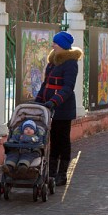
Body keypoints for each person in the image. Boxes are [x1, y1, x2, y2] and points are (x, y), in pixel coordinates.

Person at [35, 31, 83, 186]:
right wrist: (37, 103)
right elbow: (46, 84)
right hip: (49, 107)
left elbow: (68, 88)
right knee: (53, 140)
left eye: (55, 43)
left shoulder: (70, 63)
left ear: (62, 45)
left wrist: (54, 101)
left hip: (63, 108)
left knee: (62, 141)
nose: (52, 45)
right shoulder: (52, 61)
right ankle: (52, 172)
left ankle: (62, 174)